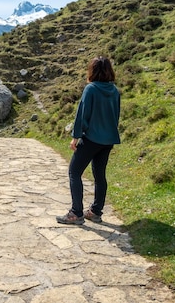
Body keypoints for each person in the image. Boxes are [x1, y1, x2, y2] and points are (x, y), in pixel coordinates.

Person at [56, 56, 121, 225]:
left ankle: (76, 213)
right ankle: (95, 212)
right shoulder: (114, 90)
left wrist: (75, 137)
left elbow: (82, 115)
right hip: (108, 140)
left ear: (92, 70)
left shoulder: (91, 89)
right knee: (100, 175)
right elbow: (116, 115)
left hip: (92, 138)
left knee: (74, 172)